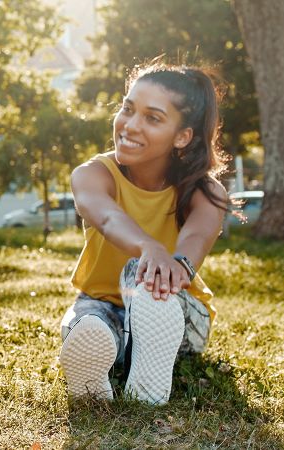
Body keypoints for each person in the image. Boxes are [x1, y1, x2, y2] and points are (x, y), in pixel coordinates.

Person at [59, 63, 229, 405]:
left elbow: (194, 244)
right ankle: (108, 357)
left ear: (182, 136)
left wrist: (169, 263)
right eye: (128, 109)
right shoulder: (93, 174)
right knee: (88, 324)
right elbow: (106, 218)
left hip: (173, 304)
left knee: (143, 273)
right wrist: (148, 244)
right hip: (104, 301)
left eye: (152, 118)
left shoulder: (205, 192)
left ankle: (146, 356)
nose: (130, 125)